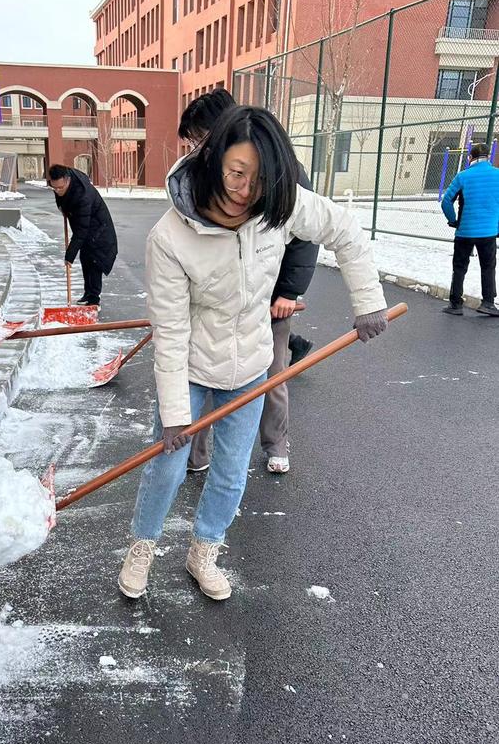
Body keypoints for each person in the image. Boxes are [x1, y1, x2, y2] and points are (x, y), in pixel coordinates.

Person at [118, 106, 388, 602]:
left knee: (230, 469)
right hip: (194, 366)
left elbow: (345, 230)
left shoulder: (279, 208)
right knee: (168, 464)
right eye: (236, 173)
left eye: (258, 179)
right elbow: (172, 333)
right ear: (215, 159)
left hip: (250, 366)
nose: (245, 190)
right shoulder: (171, 236)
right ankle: (144, 545)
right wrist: (176, 414)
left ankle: (204, 549)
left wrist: (368, 302)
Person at [178, 89, 319, 475]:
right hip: (214, 299)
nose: (197, 147)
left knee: (270, 373)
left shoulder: (278, 164)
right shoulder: (207, 170)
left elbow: (306, 235)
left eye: (201, 137)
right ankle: (198, 453)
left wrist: (288, 292)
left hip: (266, 298)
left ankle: (276, 443)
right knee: (204, 375)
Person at [441, 142, 499, 317]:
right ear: (488, 157)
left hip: (465, 231)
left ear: (470, 158)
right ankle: (488, 303)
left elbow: (446, 201)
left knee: (459, 267)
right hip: (489, 231)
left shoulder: (463, 176)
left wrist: (454, 221)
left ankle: (455, 304)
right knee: (488, 267)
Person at [48, 164, 118, 306]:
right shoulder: (65, 183)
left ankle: (93, 299)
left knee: (95, 261)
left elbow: (81, 231)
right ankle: (88, 294)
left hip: (99, 231)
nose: (57, 191)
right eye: (54, 188)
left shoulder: (82, 195)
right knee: (86, 259)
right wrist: (63, 208)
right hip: (88, 228)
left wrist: (69, 255)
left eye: (60, 188)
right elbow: (62, 200)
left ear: (67, 180)